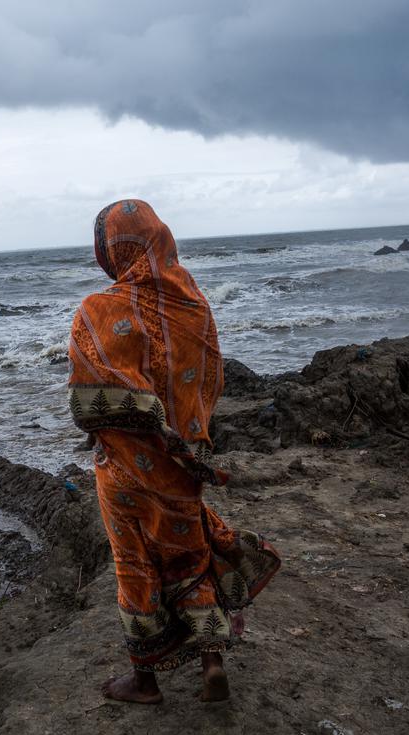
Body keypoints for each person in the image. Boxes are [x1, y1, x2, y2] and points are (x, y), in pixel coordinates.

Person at [67, 199, 281, 703]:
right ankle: (211, 661)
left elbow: (86, 402)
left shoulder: (99, 310)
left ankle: (144, 680)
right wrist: (184, 432)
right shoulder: (194, 305)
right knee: (189, 553)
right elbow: (210, 380)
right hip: (184, 462)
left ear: (111, 250)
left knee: (135, 562)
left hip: (123, 468)